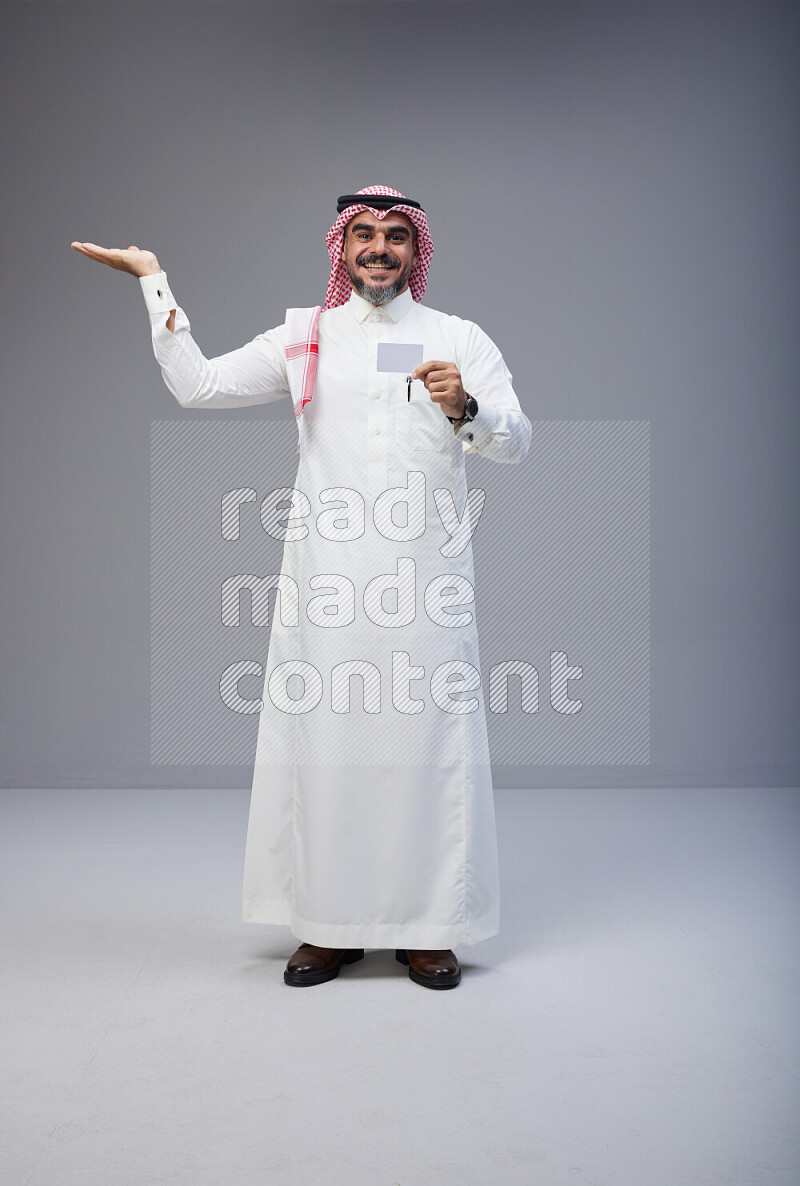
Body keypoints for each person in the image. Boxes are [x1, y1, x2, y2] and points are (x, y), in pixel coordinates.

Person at [71, 184, 531, 991]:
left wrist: (469, 406)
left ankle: (430, 929)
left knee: (427, 748)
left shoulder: (459, 338)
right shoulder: (305, 336)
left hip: (425, 584)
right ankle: (327, 926)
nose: (379, 248)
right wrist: (153, 281)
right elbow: (199, 386)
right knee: (329, 748)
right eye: (364, 235)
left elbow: (516, 443)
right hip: (328, 581)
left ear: (416, 251)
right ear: (340, 249)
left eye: (395, 236)